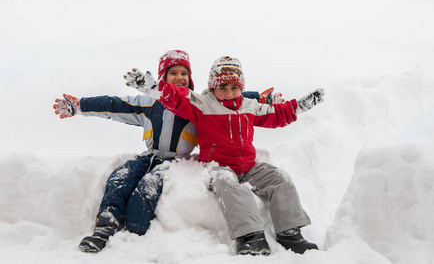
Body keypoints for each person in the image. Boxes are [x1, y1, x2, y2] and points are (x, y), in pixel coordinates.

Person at [53, 50, 284, 253]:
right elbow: (113, 104)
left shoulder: (200, 104)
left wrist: (264, 98)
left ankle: (133, 234)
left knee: (146, 190)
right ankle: (104, 227)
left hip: (174, 162)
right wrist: (80, 105)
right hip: (149, 156)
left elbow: (233, 96)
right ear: (162, 77)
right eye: (173, 73)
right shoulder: (147, 103)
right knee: (120, 179)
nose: (180, 78)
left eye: (184, 73)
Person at [126, 55, 324, 256]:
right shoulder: (202, 103)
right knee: (230, 184)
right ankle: (252, 236)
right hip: (218, 166)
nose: (229, 93)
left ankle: (290, 233)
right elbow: (177, 98)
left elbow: (276, 114)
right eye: (222, 87)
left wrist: (299, 106)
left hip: (248, 166)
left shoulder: (250, 105)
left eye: (234, 87)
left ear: (241, 88)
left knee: (281, 179)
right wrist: (153, 88)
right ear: (213, 87)